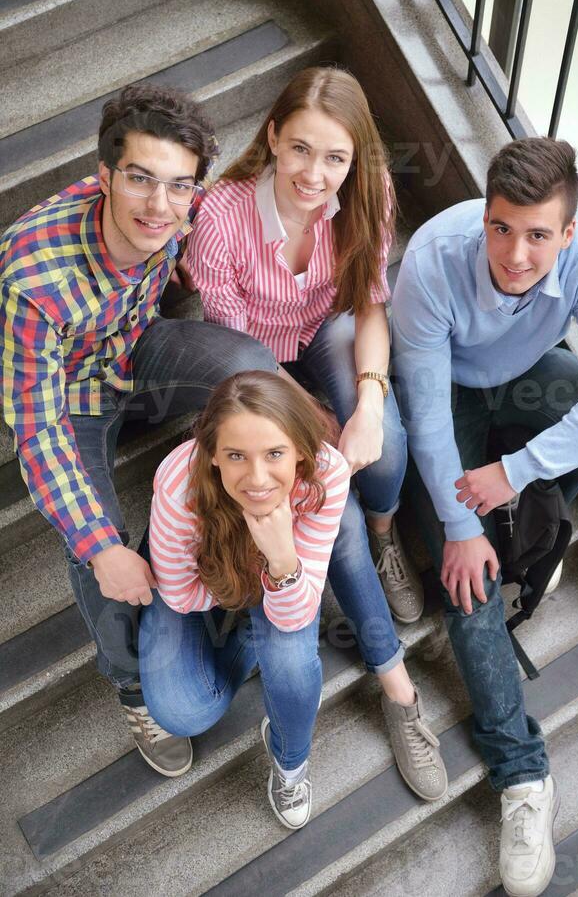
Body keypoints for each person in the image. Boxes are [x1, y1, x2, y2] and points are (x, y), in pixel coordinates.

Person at [391, 136, 578, 897]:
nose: (515, 253)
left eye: (539, 234)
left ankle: (534, 533)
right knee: (468, 577)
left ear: (568, 233)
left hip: (527, 386)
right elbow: (432, 421)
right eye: (501, 228)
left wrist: (514, 474)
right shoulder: (435, 260)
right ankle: (522, 772)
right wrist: (465, 526)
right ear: (485, 218)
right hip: (447, 396)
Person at [0, 82, 277, 778]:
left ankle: (226, 527)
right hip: (72, 400)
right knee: (94, 541)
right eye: (141, 180)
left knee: (249, 370)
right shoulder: (32, 278)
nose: (160, 205)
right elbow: (35, 430)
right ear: (104, 177)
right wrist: (100, 547)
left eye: (179, 186)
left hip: (136, 350)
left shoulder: (182, 209)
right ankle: (132, 683)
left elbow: (247, 191)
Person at [184, 65, 424, 625]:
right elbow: (240, 349)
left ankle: (384, 531)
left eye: (335, 158)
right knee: (320, 450)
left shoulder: (370, 192)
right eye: (299, 149)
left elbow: (369, 304)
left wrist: (368, 401)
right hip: (253, 351)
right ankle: (352, 549)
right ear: (272, 137)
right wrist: (312, 415)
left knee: (382, 441)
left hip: (326, 322)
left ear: (355, 160)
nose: (315, 175)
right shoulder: (220, 217)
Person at [138, 370, 351, 828]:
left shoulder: (327, 475)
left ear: (299, 451)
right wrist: (240, 575)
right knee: (184, 710)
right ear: (213, 454)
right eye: (237, 455)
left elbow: (294, 617)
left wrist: (278, 557)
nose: (257, 479)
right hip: (205, 576)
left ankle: (290, 763)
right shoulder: (179, 488)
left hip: (280, 569)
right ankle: (256, 638)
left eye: (275, 453)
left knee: (293, 663)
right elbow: (181, 594)